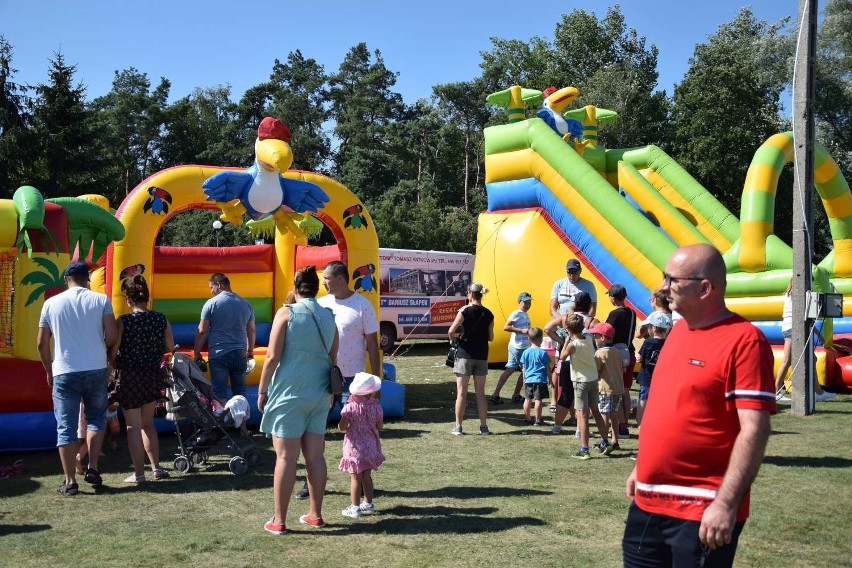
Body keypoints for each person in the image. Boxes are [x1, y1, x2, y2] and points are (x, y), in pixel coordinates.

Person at [623, 244, 776, 567]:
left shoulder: (744, 341)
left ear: (705, 288)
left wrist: (725, 504)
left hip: (702, 509)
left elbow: (755, 429)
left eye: (672, 279)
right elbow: (669, 405)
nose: (663, 287)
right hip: (648, 503)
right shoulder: (678, 331)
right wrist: (642, 465)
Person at [258, 266, 338, 534]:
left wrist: (261, 390)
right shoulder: (329, 316)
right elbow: (333, 359)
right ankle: (315, 514)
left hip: (288, 394)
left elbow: (271, 357)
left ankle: (279, 521)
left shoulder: (287, 312)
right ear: (318, 288)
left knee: (285, 457)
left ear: (295, 287)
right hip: (319, 394)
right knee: (316, 456)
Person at [292, 260, 382, 501]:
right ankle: (310, 480)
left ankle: (363, 479)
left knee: (358, 431)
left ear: (341, 278)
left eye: (327, 279)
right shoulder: (321, 305)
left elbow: (373, 346)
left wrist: (377, 380)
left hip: (354, 380)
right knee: (315, 429)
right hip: (323, 376)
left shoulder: (363, 305)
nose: (323, 283)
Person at [37, 262, 118, 496]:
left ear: (66, 280)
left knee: (66, 427)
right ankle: (92, 467)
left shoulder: (50, 304)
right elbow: (111, 335)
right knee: (95, 420)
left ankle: (70, 481)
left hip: (64, 370)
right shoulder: (100, 300)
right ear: (87, 279)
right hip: (95, 368)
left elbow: (41, 342)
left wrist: (48, 371)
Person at [109, 274, 175, 484]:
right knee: (148, 424)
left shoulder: (124, 321)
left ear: (128, 300)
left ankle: (139, 474)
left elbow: (113, 351)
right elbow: (169, 347)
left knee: (132, 427)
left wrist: (112, 362)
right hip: (151, 375)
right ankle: (156, 467)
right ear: (146, 298)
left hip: (130, 378)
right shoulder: (160, 318)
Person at [194, 273, 256, 407]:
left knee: (219, 393)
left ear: (219, 285)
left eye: (211, 287)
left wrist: (197, 353)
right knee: (240, 392)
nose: (211, 291)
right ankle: (243, 427)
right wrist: (250, 351)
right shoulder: (246, 304)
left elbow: (202, 331)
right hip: (240, 353)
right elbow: (251, 330)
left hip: (219, 354)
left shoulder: (211, 304)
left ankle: (222, 425)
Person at [774, 279, 837, 402]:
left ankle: (818, 391)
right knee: (787, 360)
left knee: (811, 359)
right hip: (793, 328)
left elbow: (805, 316)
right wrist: (819, 334)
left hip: (792, 327)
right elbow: (805, 315)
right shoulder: (797, 295)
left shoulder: (791, 294)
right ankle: (776, 391)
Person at [448, 282, 495, 436]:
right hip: (481, 355)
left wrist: (453, 340)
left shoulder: (464, 311)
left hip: (464, 355)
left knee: (462, 392)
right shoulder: (489, 314)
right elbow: (491, 337)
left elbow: (451, 330)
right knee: (480, 393)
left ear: (469, 293)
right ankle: (483, 427)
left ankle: (458, 426)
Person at [338, 372, 385, 519]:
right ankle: (368, 503)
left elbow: (342, 427)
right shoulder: (376, 407)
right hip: (370, 445)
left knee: (355, 477)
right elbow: (380, 426)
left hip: (355, 446)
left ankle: (355, 507)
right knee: (367, 475)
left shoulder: (350, 407)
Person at [561, 313, 606, 460]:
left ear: (568, 329)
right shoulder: (589, 338)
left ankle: (584, 449)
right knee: (596, 411)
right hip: (592, 378)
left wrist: (567, 340)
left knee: (582, 415)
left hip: (580, 381)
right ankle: (605, 441)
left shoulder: (573, 345)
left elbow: (562, 356)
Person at [604, 284, 637, 438]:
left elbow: (607, 333)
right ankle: (625, 426)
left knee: (615, 391)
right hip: (629, 352)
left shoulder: (614, 314)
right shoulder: (632, 313)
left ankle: (621, 425)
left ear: (613, 297)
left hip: (616, 355)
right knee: (625, 390)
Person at [489, 291, 533, 405]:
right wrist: (521, 331)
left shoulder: (525, 314)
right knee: (524, 371)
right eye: (525, 303)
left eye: (529, 303)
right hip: (518, 347)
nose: (528, 305)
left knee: (513, 370)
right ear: (519, 302)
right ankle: (513, 395)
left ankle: (498, 394)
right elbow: (506, 327)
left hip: (522, 346)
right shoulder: (516, 313)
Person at [588, 322, 624, 455]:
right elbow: (622, 368)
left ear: (603, 337)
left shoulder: (600, 353)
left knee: (604, 414)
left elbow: (596, 370)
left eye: (596, 336)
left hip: (605, 388)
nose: (594, 339)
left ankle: (604, 441)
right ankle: (615, 440)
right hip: (617, 388)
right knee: (614, 415)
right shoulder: (617, 352)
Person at [635, 311, 672, 429]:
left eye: (649, 327)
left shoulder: (648, 342)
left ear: (654, 328)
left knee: (643, 400)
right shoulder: (668, 342)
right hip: (662, 379)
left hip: (646, 377)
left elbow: (641, 357)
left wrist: (638, 357)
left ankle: (640, 422)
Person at [519, 327, 551, 426]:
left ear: (529, 339)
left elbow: (523, 367)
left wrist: (524, 378)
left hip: (528, 379)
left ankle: (527, 418)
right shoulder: (543, 353)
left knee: (527, 399)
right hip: (540, 380)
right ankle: (538, 419)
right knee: (538, 400)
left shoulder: (526, 352)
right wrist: (550, 378)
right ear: (541, 339)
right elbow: (547, 368)